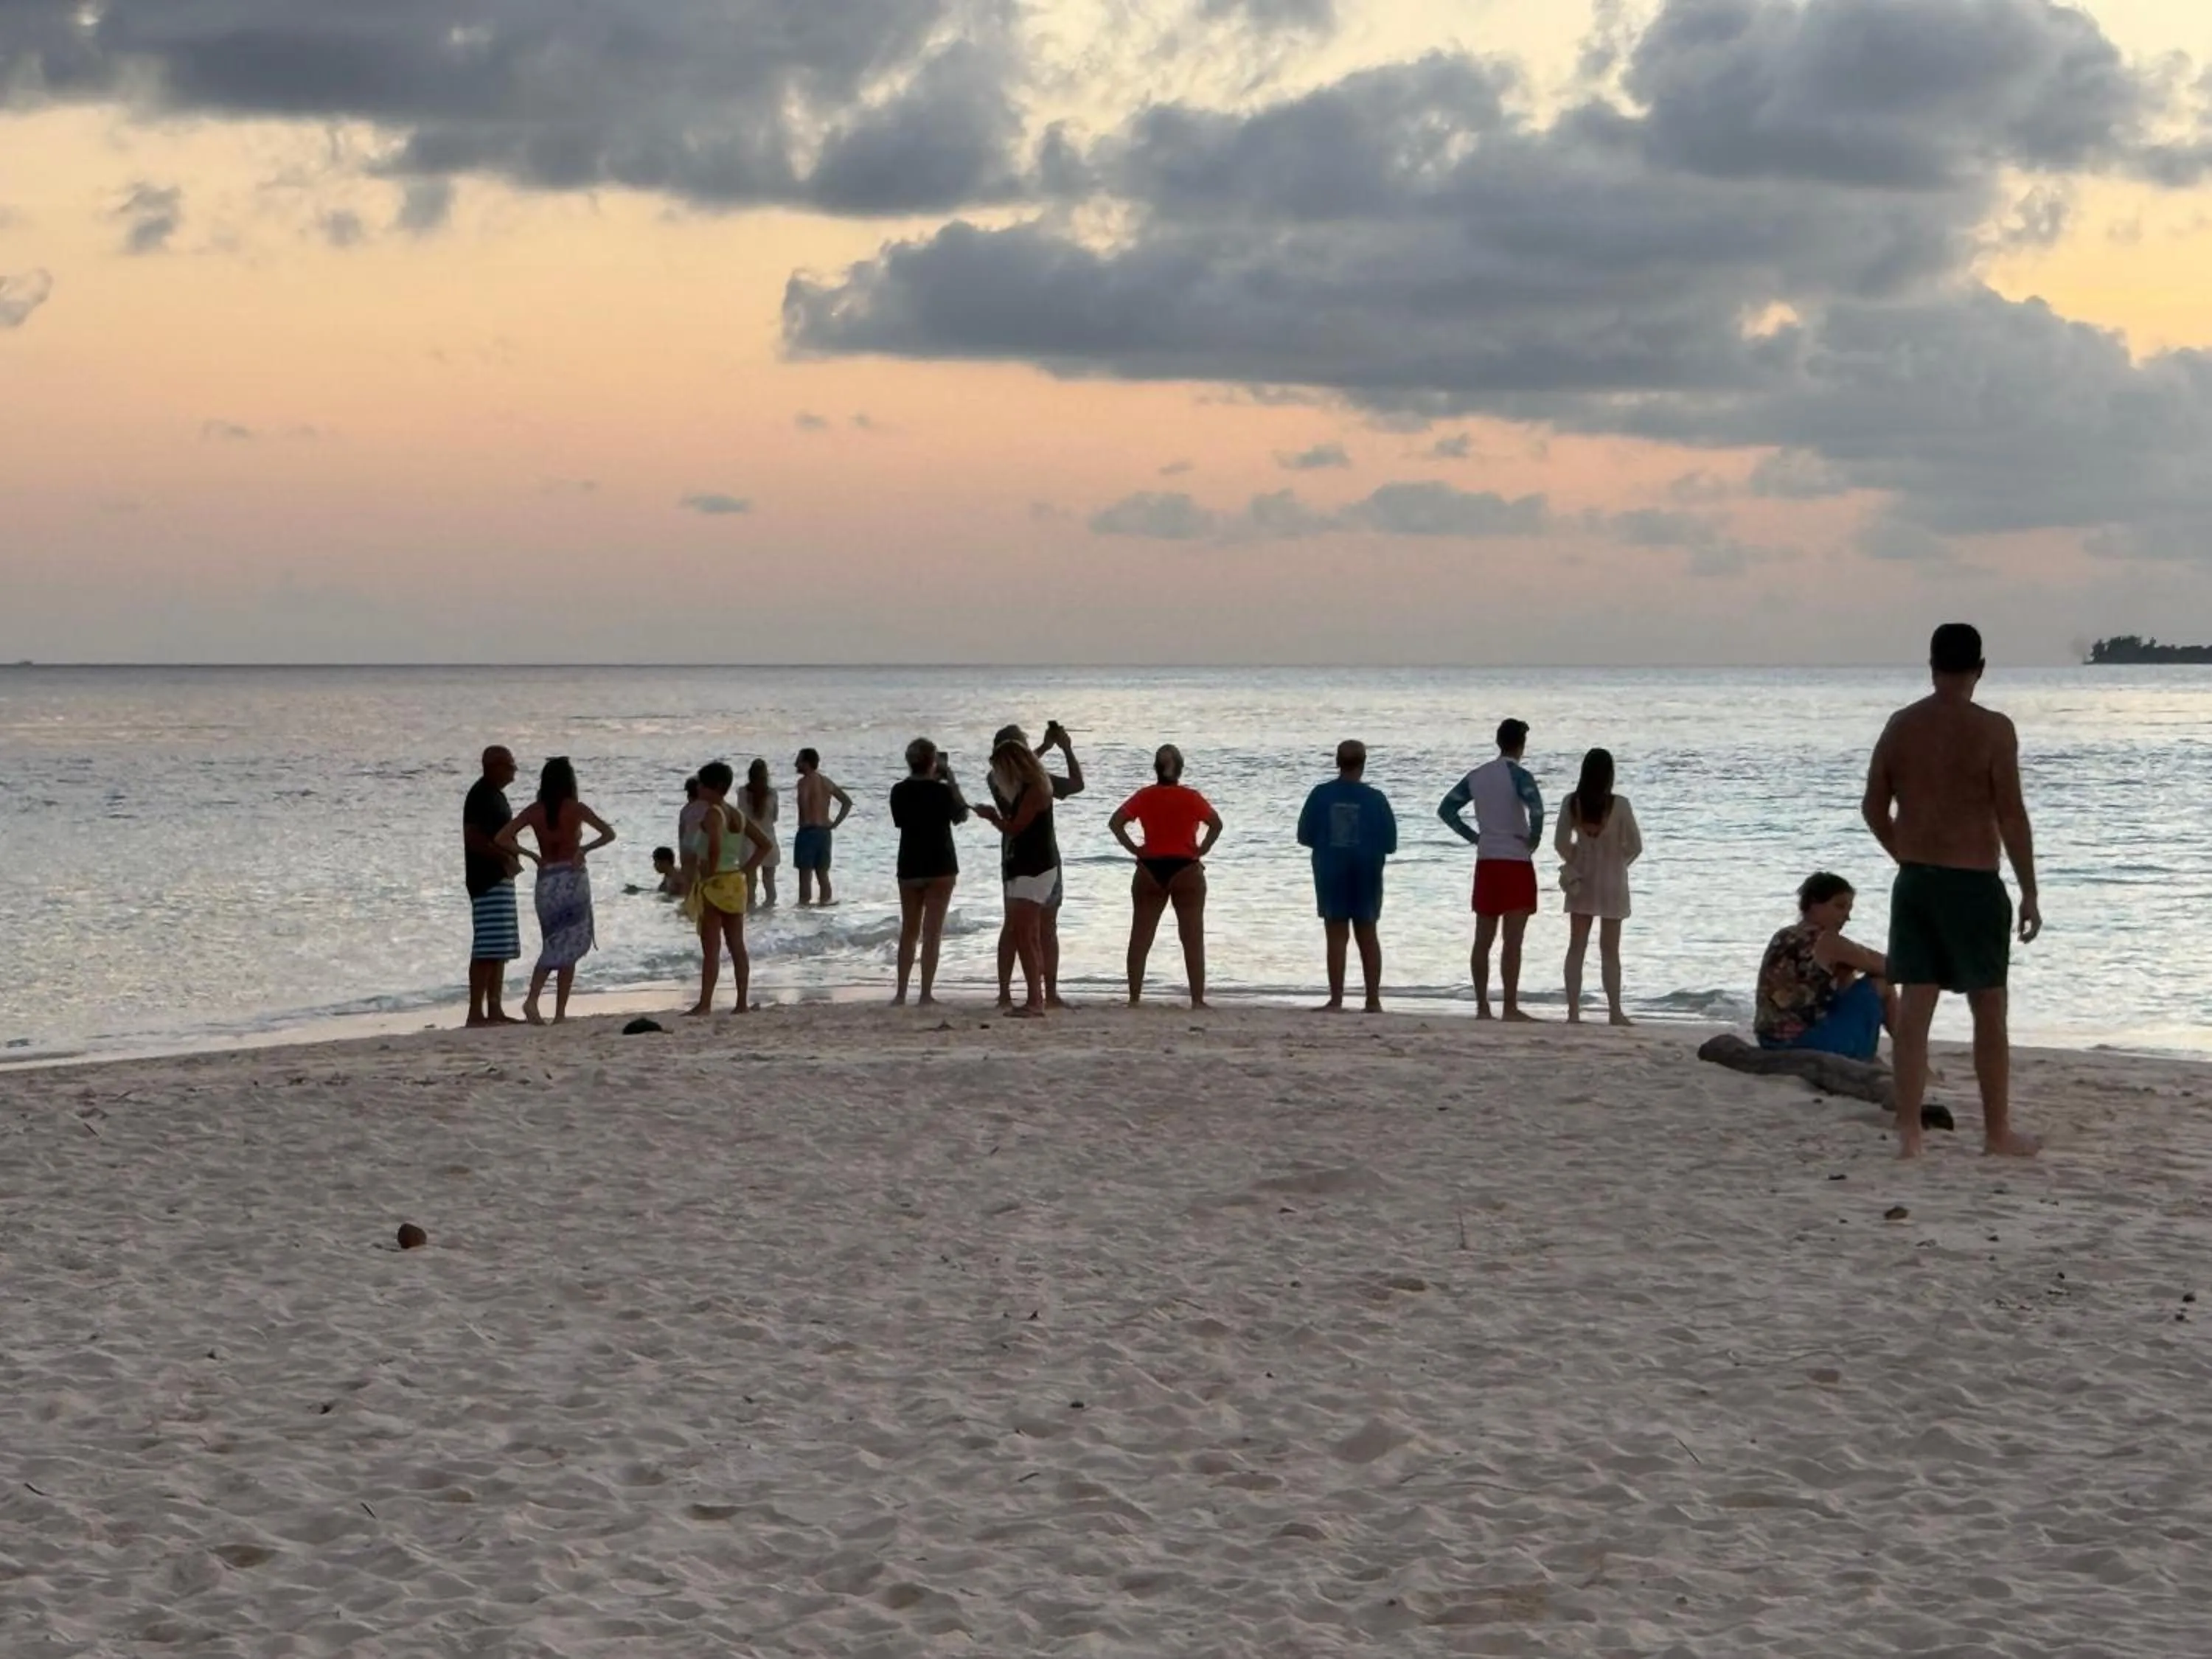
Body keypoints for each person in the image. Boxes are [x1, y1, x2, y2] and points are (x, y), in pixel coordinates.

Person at [1863, 622, 2042, 1159]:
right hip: (1973, 882)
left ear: (1932, 667)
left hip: (1917, 883)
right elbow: (2011, 815)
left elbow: (1873, 809)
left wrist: (1907, 856)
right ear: (1980, 669)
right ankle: (1996, 1133)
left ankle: (1911, 1134)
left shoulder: (1901, 726)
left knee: (1916, 1007)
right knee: (1989, 1007)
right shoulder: (1994, 730)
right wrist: (2029, 890)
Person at [495, 757, 616, 1025]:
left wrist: (530, 854)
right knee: (570, 947)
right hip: (572, 879)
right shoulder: (576, 808)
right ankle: (559, 1012)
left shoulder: (535, 811)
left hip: (547, 880)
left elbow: (501, 838)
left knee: (553, 943)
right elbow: (609, 834)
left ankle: (534, 999)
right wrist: (584, 849)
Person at [1439, 719, 1545, 1020]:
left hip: (1487, 859)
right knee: (1513, 940)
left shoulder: (1478, 776)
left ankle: (1482, 1006)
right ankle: (1510, 1006)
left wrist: (1474, 836)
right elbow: (1536, 809)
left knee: (1482, 938)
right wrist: (1534, 838)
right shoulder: (1520, 776)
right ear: (1521, 745)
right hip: (1515, 859)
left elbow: (1447, 810)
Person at [1109, 745, 1222, 1008]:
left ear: (1155, 769)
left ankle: (1134, 999)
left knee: (1141, 936)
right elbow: (1217, 825)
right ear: (1180, 769)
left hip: (1150, 868)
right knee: (1192, 937)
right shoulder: (1192, 798)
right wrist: (1202, 849)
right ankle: (1197, 1000)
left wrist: (1135, 849)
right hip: (1186, 867)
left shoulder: (1144, 796)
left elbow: (1115, 823)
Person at [989, 721, 1085, 1008]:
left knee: (1043, 925)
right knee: (1017, 926)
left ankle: (1047, 992)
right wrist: (1049, 747)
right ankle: (1009, 992)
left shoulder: (1035, 779)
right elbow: (1022, 770)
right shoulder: (999, 779)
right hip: (1022, 858)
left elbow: (1076, 785)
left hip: (1038, 857)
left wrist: (1066, 749)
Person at [1297, 740, 1398, 1012]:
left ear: (1337, 762)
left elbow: (1304, 835)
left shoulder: (1320, 795)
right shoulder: (1376, 799)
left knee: (1336, 935)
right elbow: (1390, 843)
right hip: (1367, 871)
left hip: (1331, 870)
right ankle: (1373, 1000)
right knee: (1368, 934)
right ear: (1364, 764)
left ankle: (1337, 999)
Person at [1754, 873, 1896, 1062]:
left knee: (1845, 973)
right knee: (1882, 983)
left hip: (1770, 1039)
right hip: (1804, 1042)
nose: (1847, 917)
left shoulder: (1784, 935)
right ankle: (1915, 1058)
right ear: (1814, 903)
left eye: (1848, 909)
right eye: (1839, 906)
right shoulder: (1827, 940)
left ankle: (1898, 1056)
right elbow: (1889, 967)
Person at [1554, 747, 1642, 1026]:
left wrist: (1576, 859)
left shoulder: (1572, 803)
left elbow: (1560, 842)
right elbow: (1635, 846)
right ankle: (1615, 1011)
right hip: (1613, 882)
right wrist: (1620, 864)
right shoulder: (1621, 805)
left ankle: (1573, 1012)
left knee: (1576, 947)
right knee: (1610, 950)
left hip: (1582, 880)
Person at [975, 734, 1060, 1018]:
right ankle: (1036, 999)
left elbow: (1016, 828)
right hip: (1027, 866)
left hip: (1033, 867)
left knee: (1025, 935)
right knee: (1027, 934)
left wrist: (992, 818)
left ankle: (1035, 1001)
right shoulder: (1028, 787)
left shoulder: (1035, 789)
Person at [889, 737, 970, 1006]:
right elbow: (962, 816)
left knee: (909, 931)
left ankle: (901, 993)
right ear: (933, 762)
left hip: (910, 863)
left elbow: (900, 820)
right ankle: (925, 993)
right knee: (932, 932)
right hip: (941, 864)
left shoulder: (899, 791)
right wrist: (951, 780)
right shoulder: (943, 792)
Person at [684, 760, 765, 1016]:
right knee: (737, 945)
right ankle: (741, 1002)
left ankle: (705, 1003)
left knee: (711, 948)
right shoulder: (737, 815)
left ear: (715, 787)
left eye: (703, 786)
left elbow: (715, 843)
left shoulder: (713, 813)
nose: (700, 790)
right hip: (735, 882)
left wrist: (710, 870)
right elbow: (764, 845)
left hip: (716, 884)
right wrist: (746, 870)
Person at [462, 745, 521, 1027]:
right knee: (486, 945)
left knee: (500, 946)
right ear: (494, 766)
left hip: (502, 876)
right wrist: (503, 857)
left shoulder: (496, 797)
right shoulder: (480, 795)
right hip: (486, 878)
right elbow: (473, 838)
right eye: (510, 766)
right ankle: (476, 1012)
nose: (514, 771)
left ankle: (495, 1008)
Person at [792, 748, 852, 906]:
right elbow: (847, 802)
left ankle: (804, 913)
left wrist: (805, 819)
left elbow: (804, 804)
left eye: (799, 761)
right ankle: (825, 909)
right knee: (823, 875)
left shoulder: (803, 782)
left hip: (808, 831)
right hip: (824, 832)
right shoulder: (826, 782)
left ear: (807, 763)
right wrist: (835, 823)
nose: (795, 764)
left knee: (805, 877)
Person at [742, 758, 782, 911]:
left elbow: (742, 817)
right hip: (769, 838)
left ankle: (751, 917)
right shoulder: (772, 794)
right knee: (769, 883)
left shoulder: (742, 793)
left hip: (749, 840)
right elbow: (775, 817)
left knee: (750, 884)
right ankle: (769, 915)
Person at [674, 776, 707, 900]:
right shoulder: (708, 808)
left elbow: (681, 833)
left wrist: (681, 855)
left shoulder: (685, 810)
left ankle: (688, 909)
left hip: (687, 848)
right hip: (703, 849)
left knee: (689, 885)